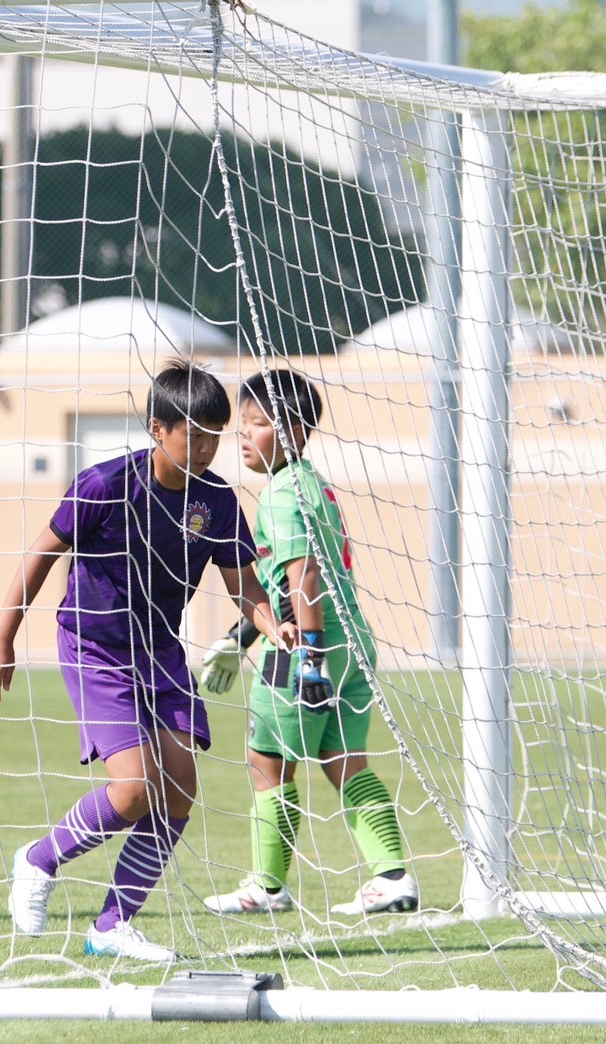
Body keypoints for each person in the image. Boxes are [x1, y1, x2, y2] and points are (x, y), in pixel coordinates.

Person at [0, 360, 298, 963]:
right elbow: (42, 554)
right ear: (158, 428)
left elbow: (245, 585)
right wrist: (2, 636)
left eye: (213, 437)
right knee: (132, 790)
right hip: (94, 647)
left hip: (161, 650)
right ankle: (38, 860)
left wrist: (271, 623)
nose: (204, 449)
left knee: (178, 791)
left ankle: (112, 925)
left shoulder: (217, 502)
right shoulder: (104, 484)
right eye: (193, 435)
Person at [200, 369, 417, 917]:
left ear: (294, 431)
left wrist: (310, 658)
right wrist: (242, 636)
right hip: (352, 643)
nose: (243, 436)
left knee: (266, 758)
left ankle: (267, 886)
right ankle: (393, 877)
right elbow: (295, 580)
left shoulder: (278, 495)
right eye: (242, 424)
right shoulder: (312, 483)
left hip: (307, 648)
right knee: (344, 758)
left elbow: (304, 578)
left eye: (257, 424)